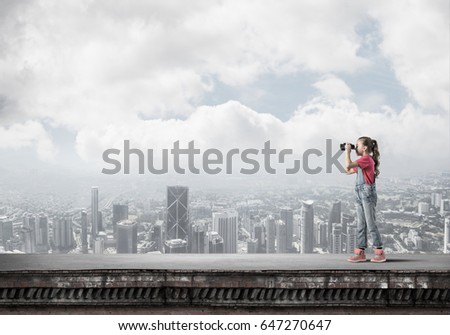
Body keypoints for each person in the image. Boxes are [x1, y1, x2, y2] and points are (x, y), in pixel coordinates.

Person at [344, 136, 386, 263]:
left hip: (367, 194)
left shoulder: (366, 159)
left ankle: (379, 252)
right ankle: (361, 253)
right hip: (359, 194)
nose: (355, 148)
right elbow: (348, 170)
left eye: (357, 146)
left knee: (370, 223)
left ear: (365, 147)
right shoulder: (362, 161)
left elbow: (349, 165)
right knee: (361, 224)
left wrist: (347, 152)